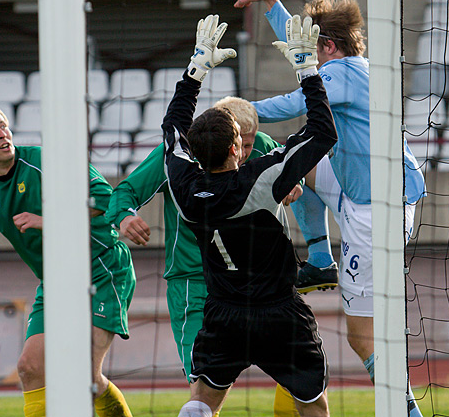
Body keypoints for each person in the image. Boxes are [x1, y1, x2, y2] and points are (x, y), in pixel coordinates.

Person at [235, 0, 427, 417]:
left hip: (375, 214)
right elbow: (303, 49)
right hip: (370, 188)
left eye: (315, 51)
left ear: (329, 46)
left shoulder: (339, 74)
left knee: (361, 336)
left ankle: (407, 408)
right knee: (296, 161)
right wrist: (271, 5)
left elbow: (295, 100)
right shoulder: (351, 66)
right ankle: (321, 260)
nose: (310, 59)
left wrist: (236, 109)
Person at [164, 14, 337, 417]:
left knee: (203, 399)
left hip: (222, 314)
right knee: (314, 405)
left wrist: (195, 72)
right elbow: (322, 131)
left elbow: (172, 129)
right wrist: (308, 70)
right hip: (279, 313)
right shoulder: (262, 179)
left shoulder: (183, 188)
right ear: (236, 150)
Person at [0, 100, 136, 417]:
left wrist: (49, 219)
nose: (3, 134)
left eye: (3, 125)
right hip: (56, 281)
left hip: (102, 268)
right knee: (30, 368)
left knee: (84, 376)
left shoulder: (47, 161)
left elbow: (105, 199)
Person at [105, 95, 302, 390]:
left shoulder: (261, 143)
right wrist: (125, 216)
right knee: (202, 384)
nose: (245, 153)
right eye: (240, 144)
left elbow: (289, 175)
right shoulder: (177, 156)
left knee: (301, 375)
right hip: (195, 285)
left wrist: (292, 187)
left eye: (249, 145)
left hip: (258, 288)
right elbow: (126, 191)